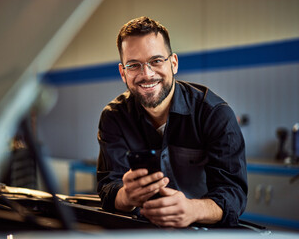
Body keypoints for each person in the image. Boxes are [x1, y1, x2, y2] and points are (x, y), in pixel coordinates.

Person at [97, 16, 247, 228]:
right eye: (134, 65)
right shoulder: (114, 117)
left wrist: (192, 209)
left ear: (173, 63)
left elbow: (234, 193)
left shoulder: (214, 114)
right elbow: (107, 186)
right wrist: (126, 196)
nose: (146, 74)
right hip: (142, 229)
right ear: (123, 72)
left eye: (156, 61)